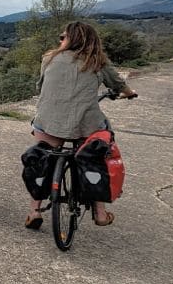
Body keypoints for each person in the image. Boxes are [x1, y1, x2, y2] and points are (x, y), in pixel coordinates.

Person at [25, 20, 137, 230]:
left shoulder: (49, 58)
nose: (60, 40)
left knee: (41, 159)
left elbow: (40, 86)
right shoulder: (98, 62)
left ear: (70, 40)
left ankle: (34, 211)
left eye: (62, 37)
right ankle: (101, 213)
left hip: (49, 122)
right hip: (86, 125)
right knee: (96, 156)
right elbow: (119, 85)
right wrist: (129, 93)